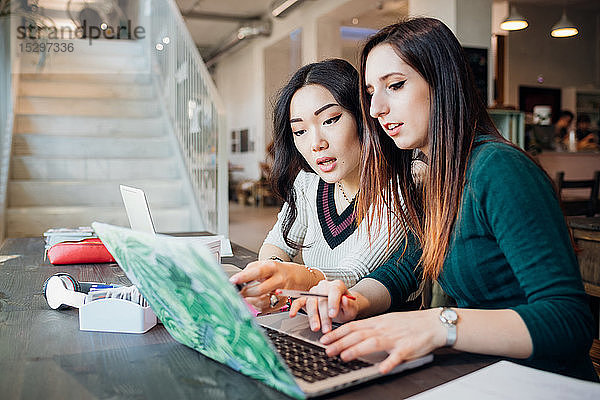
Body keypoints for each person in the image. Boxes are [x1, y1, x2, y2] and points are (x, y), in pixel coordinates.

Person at [290, 18, 597, 382]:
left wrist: (440, 323)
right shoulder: (434, 173)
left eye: (396, 86)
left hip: (544, 380)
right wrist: (355, 300)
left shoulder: (498, 169)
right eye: (372, 92)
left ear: (442, 83)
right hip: (483, 372)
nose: (376, 109)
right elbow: (407, 265)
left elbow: (568, 320)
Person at [230, 59, 412, 312]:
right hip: (314, 324)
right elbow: (278, 244)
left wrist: (294, 276)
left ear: (363, 117)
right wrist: (271, 278)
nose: (316, 143)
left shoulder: (400, 188)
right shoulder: (308, 183)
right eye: (300, 131)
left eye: (330, 120)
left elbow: (356, 272)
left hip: (376, 331)